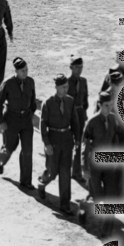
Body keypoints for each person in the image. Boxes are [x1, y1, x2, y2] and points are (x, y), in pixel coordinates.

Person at [38, 74, 80, 214]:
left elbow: (75, 121)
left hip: (67, 140)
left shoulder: (70, 101)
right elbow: (42, 125)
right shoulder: (48, 103)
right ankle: (42, 182)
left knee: (65, 173)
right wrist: (47, 143)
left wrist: (77, 139)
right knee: (52, 171)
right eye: (63, 87)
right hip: (54, 139)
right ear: (56, 87)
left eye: (67, 86)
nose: (66, 89)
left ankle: (65, 205)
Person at [0, 56, 37, 187]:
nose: (25, 72)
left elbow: (33, 101)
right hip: (11, 119)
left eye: (26, 70)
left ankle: (26, 181)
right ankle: (1, 161)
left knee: (27, 151)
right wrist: (1, 120)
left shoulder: (30, 82)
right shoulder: (7, 83)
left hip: (26, 120)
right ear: (16, 71)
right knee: (10, 146)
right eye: (23, 70)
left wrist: (31, 114)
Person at [67, 56, 89, 183]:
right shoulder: (66, 82)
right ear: (71, 68)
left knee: (79, 143)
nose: (79, 70)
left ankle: (75, 172)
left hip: (80, 113)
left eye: (81, 67)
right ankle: (68, 168)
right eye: (76, 67)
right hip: (70, 114)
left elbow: (85, 98)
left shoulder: (84, 81)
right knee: (68, 142)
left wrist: (85, 112)